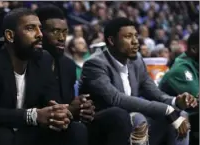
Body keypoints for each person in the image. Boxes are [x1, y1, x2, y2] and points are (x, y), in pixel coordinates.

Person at [0, 8, 83, 145]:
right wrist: (31, 115)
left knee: (75, 129)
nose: (39, 34)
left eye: (40, 29)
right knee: (3, 136)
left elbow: (51, 101)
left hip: (27, 132)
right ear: (10, 36)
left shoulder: (43, 59)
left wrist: (66, 110)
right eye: (30, 28)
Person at [79, 17, 198, 145]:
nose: (135, 42)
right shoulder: (95, 64)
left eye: (136, 36)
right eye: (128, 37)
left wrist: (176, 101)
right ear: (112, 41)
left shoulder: (136, 60)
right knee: (139, 118)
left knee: (181, 115)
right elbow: (116, 99)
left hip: (135, 121)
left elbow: (155, 93)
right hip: (106, 128)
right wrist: (167, 110)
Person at [36, 5, 93, 145]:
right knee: (76, 130)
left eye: (64, 32)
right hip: (40, 125)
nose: (62, 38)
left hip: (66, 122)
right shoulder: (29, 62)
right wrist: (69, 109)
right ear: (39, 32)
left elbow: (68, 102)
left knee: (114, 117)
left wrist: (83, 108)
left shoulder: (68, 64)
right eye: (55, 32)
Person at [159, 31, 199, 145]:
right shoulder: (181, 69)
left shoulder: (196, 65)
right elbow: (196, 102)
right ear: (195, 49)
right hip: (168, 123)